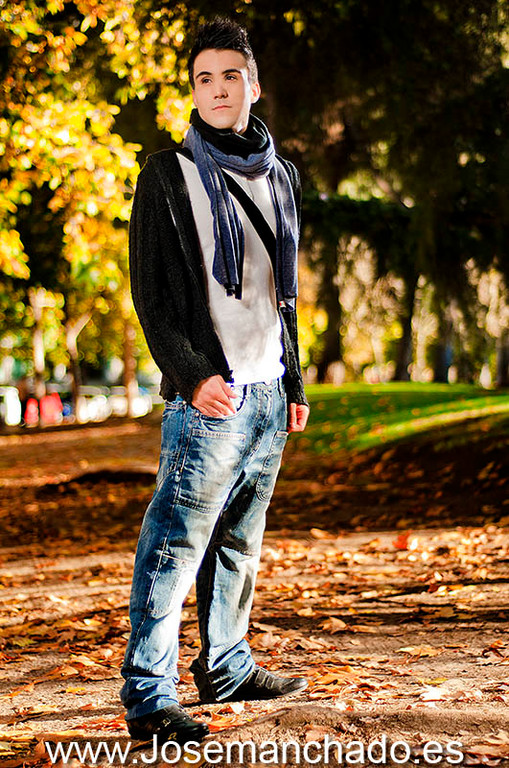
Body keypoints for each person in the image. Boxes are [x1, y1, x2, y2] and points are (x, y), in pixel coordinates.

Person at [121, 17, 310, 746]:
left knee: (238, 543)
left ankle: (226, 664)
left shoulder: (281, 175)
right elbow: (150, 294)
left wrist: (293, 384)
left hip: (266, 392)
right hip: (212, 396)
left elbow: (281, 294)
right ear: (194, 93)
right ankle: (149, 695)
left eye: (231, 75)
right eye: (204, 79)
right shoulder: (167, 175)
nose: (218, 89)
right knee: (174, 546)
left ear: (253, 85)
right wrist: (190, 373)